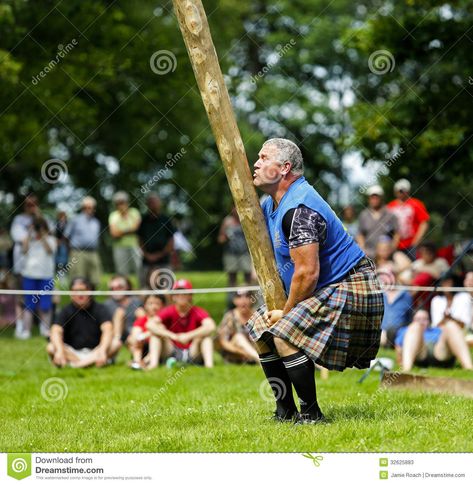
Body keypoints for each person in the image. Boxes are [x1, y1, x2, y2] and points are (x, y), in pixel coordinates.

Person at [248, 138, 384, 424]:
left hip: (353, 285)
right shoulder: (271, 204)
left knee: (282, 332)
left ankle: (311, 414)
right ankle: (285, 411)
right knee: (261, 328)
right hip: (327, 286)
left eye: (263, 158)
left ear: (284, 168)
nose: (256, 163)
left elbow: (307, 272)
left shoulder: (299, 209)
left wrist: (286, 313)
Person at [146, 279, 216, 368]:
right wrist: (172, 336)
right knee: (155, 335)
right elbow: (150, 325)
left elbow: (211, 326)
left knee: (206, 337)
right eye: (177, 293)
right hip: (171, 349)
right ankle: (153, 365)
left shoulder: (197, 311)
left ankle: (209, 367)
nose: (181, 296)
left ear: (190, 296)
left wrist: (189, 336)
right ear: (173, 296)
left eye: (184, 293)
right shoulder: (168, 311)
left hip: (193, 350)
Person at [47, 277, 113, 368]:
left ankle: (78, 365)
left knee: (115, 343)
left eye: (82, 290)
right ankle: (87, 363)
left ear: (90, 292)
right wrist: (59, 350)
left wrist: (102, 350)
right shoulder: (65, 310)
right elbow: (55, 330)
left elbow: (108, 329)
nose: (79, 294)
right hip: (72, 352)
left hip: (96, 351)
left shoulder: (100, 309)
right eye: (75, 291)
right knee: (51, 347)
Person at [395, 309, 472, 371]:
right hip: (420, 354)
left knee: (451, 325)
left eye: (425, 319)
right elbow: (398, 349)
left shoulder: (437, 330)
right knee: (415, 327)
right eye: (418, 319)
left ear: (429, 321)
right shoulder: (406, 330)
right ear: (412, 320)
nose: (421, 322)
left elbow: (459, 331)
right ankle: (406, 370)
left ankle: (469, 368)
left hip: (440, 352)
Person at [21, 216, 57, 338]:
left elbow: (50, 250)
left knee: (45, 305)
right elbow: (24, 250)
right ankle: (26, 330)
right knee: (28, 304)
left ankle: (45, 329)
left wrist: (43, 236)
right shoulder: (29, 239)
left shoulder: (51, 239)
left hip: (46, 275)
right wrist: (29, 232)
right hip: (29, 274)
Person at [137, 192, 175, 287]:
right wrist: (147, 255)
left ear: (159, 203)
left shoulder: (166, 220)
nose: (152, 204)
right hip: (146, 261)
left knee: (166, 286)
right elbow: (140, 240)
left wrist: (160, 254)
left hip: (164, 260)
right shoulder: (143, 221)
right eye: (150, 202)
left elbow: (171, 240)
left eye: (154, 202)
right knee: (145, 286)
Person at [103, 275, 145, 360]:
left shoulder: (136, 301)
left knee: (140, 313)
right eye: (113, 288)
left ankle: (139, 359)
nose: (116, 290)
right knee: (119, 313)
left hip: (132, 333)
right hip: (115, 334)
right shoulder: (107, 304)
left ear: (127, 287)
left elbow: (143, 318)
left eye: (119, 287)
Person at [387, 179, 430, 260]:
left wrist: (416, 241)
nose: (401, 193)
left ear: (408, 191)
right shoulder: (390, 206)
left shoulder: (416, 204)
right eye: (399, 191)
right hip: (395, 246)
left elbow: (424, 223)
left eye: (403, 191)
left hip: (412, 245)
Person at [65, 197, 102, 287]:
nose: (89, 210)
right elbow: (66, 236)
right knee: (78, 279)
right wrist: (70, 251)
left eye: (91, 207)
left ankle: (91, 300)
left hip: (93, 252)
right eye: (87, 207)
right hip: (78, 252)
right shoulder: (75, 220)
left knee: (95, 279)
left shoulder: (96, 222)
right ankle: (77, 300)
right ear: (83, 208)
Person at [216, 289, 259, 363]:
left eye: (247, 296)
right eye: (239, 297)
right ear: (234, 300)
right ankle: (258, 359)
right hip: (236, 353)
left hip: (255, 349)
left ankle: (256, 357)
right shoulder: (230, 316)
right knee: (238, 337)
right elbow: (223, 342)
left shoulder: (257, 314)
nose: (243, 300)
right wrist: (242, 352)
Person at [357, 185, 399, 259]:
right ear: (369, 199)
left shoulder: (390, 214)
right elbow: (360, 234)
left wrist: (392, 249)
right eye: (372, 197)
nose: (374, 199)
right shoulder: (363, 215)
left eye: (377, 197)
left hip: (386, 255)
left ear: (381, 198)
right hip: (368, 253)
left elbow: (397, 233)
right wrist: (362, 248)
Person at [108, 191, 142, 280]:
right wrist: (130, 230)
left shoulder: (134, 212)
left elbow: (137, 228)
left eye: (122, 202)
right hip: (119, 247)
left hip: (135, 245)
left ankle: (142, 289)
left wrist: (121, 232)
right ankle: (124, 291)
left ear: (127, 202)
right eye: (118, 203)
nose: (121, 205)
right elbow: (114, 233)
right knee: (122, 271)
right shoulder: (113, 215)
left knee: (139, 268)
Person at [128, 294, 166, 370]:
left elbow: (162, 331)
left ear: (163, 305)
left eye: (157, 304)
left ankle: (148, 363)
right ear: (145, 305)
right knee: (133, 336)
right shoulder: (142, 320)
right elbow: (135, 335)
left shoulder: (163, 319)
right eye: (150, 303)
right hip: (143, 347)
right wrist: (138, 337)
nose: (154, 307)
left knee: (156, 336)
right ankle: (137, 361)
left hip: (161, 348)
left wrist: (146, 335)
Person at [218, 207, 252, 290]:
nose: (236, 210)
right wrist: (225, 237)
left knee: (248, 276)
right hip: (231, 254)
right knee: (232, 277)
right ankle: (232, 299)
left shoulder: (246, 220)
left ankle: (248, 298)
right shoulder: (227, 222)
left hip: (245, 253)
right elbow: (220, 239)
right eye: (234, 207)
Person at [379, 266, 413, 348]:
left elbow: (410, 317)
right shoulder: (379, 294)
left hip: (398, 333)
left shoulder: (406, 295)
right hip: (380, 333)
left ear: (396, 276)